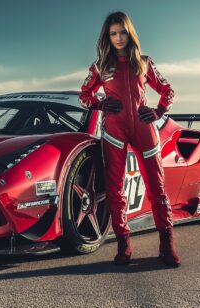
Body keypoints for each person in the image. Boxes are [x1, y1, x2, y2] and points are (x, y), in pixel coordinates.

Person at [78, 11, 180, 267]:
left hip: (145, 128)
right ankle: (124, 244)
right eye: (113, 33)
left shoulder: (143, 62)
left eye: (122, 32)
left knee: (157, 188)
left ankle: (167, 245)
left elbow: (168, 89)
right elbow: (83, 94)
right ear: (107, 37)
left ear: (130, 33)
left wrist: (158, 111)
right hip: (114, 130)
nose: (118, 38)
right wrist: (100, 104)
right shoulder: (100, 66)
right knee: (114, 189)